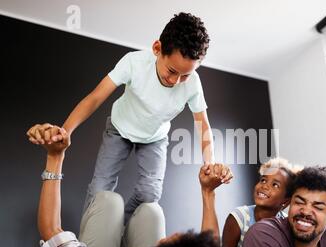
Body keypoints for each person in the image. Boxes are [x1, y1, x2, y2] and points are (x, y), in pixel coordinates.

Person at [27, 12, 215, 227]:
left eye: (185, 75)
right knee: (101, 188)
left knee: (150, 194)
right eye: (172, 71)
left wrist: (210, 161)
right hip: (119, 129)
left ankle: (121, 229)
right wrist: (66, 130)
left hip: (155, 138)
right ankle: (90, 236)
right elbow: (96, 97)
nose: (176, 80)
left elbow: (203, 125)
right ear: (157, 49)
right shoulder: (133, 62)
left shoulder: (193, 84)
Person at [31, 125, 240, 247]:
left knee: (109, 201)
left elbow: (51, 230)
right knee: (152, 211)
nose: (170, 235)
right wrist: (208, 193)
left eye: (174, 240)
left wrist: (55, 157)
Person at [203, 158, 301, 247]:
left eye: (275, 185)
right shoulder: (239, 218)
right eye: (263, 180)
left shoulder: (287, 224)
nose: (265, 186)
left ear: (286, 200)